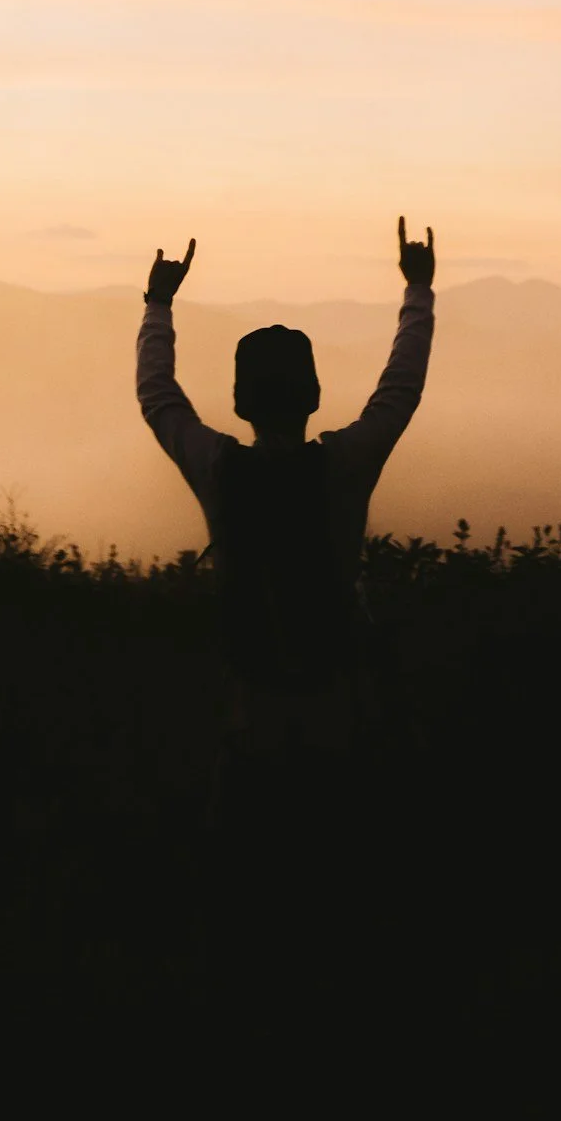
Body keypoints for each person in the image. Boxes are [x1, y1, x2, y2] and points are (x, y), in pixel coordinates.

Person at [137, 218, 436, 762]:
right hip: (338, 706)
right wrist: (418, 287)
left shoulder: (219, 468)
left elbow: (158, 397)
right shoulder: (345, 465)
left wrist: (158, 302)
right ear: (315, 395)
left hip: (250, 710)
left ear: (238, 402)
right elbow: (402, 386)